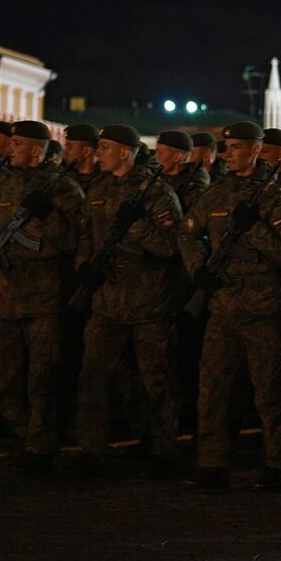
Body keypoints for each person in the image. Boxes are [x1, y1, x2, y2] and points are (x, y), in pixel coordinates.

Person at [179, 121, 281, 491]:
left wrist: (256, 228)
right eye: (226, 148)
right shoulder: (216, 193)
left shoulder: (274, 197)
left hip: (262, 307)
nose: (227, 155)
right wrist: (199, 267)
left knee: (267, 391)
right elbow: (188, 232)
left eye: (234, 148)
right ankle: (212, 462)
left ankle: (278, 463)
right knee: (212, 386)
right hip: (224, 305)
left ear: (255, 151)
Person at [0, 120, 86, 473]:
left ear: (36, 149)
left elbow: (75, 241)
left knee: (42, 376)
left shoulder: (64, 189)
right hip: (2, 295)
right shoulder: (3, 183)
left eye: (16, 144)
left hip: (44, 297)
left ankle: (40, 445)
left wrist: (48, 218)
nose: (9, 149)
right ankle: (24, 428)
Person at [73, 124, 185, 478]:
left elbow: (170, 247)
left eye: (104, 147)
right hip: (106, 300)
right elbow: (87, 238)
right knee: (93, 375)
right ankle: (93, 450)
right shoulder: (99, 189)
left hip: (148, 302)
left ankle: (163, 449)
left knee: (157, 379)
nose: (98, 153)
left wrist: (138, 226)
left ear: (125, 151)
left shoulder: (155, 192)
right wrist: (84, 267)